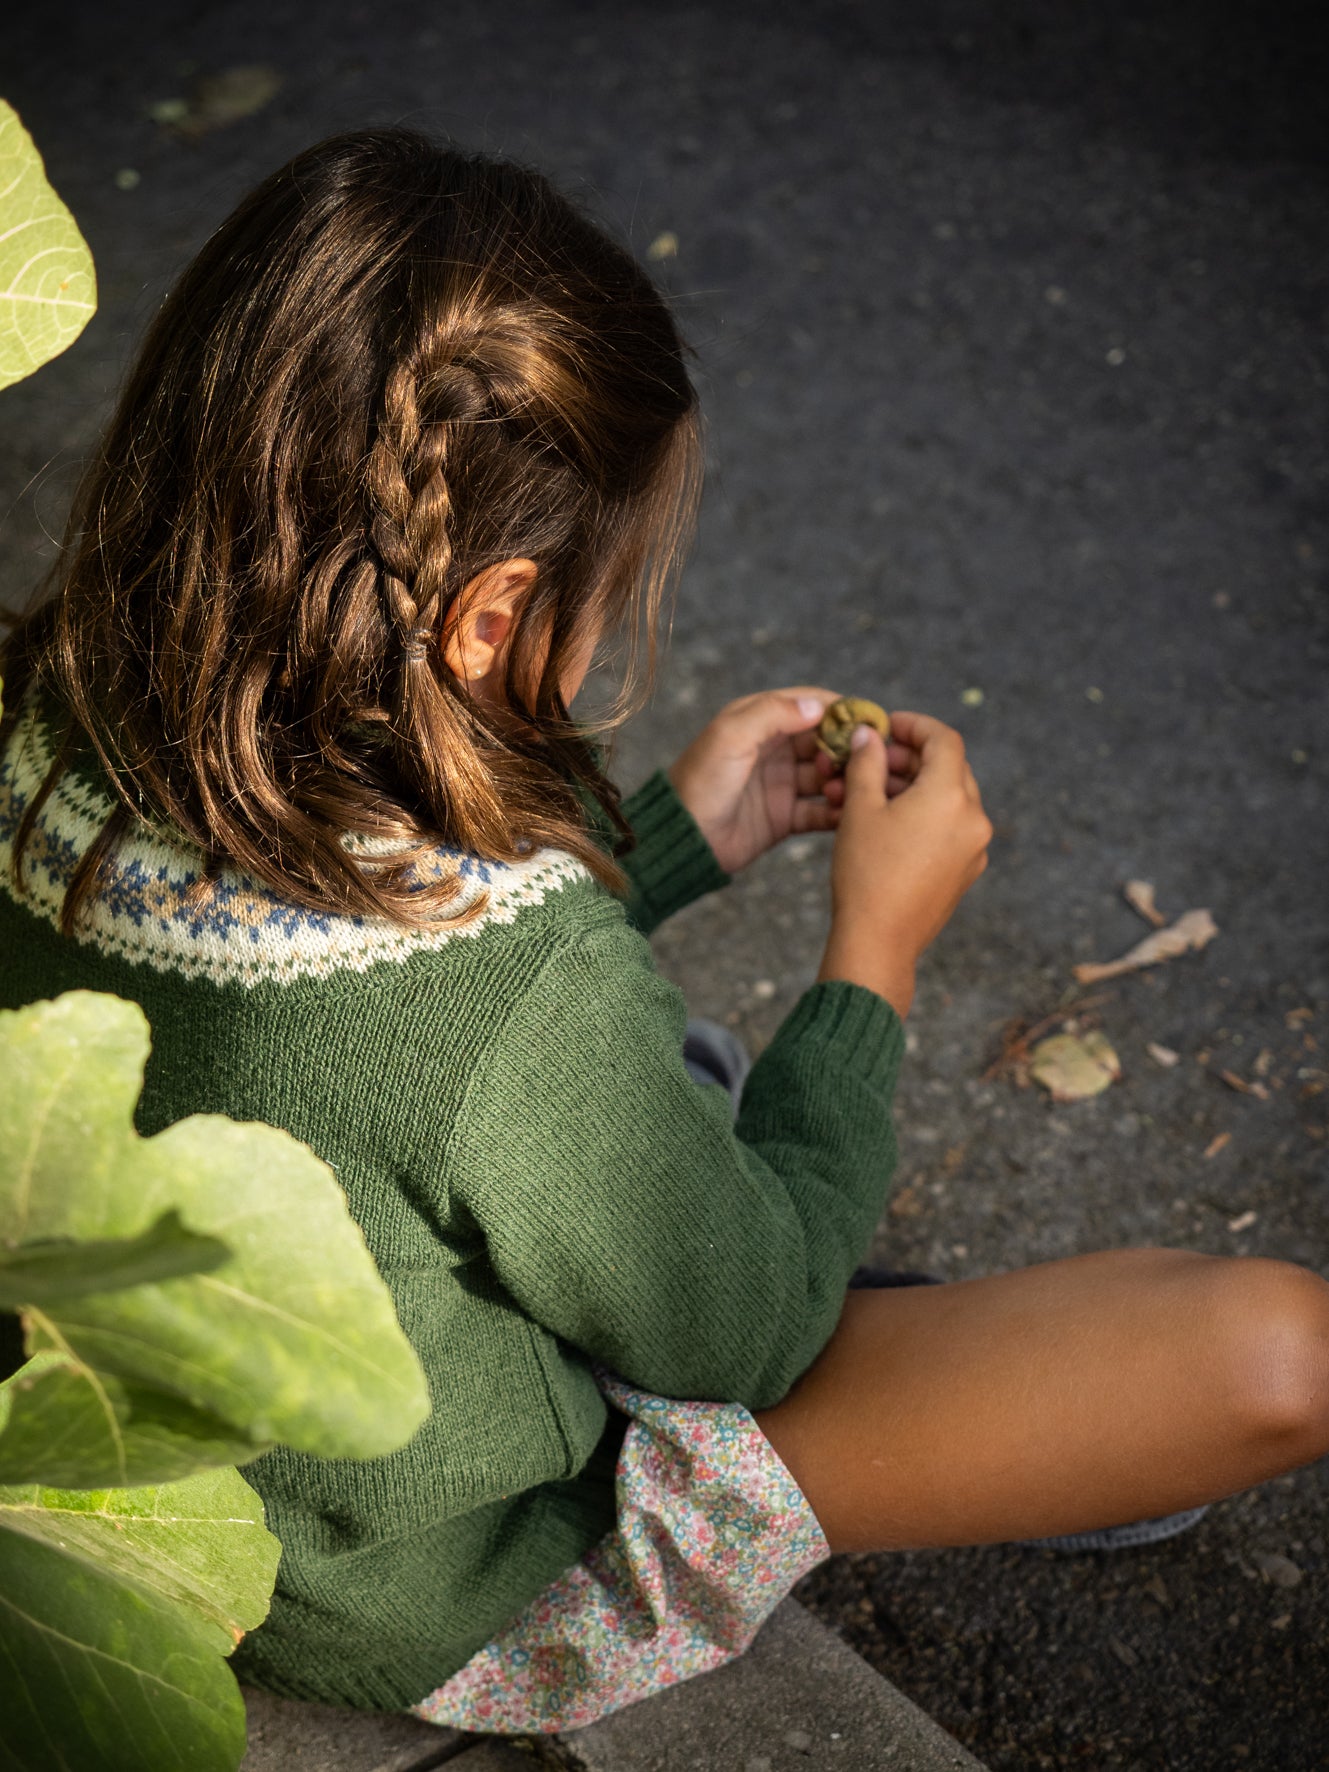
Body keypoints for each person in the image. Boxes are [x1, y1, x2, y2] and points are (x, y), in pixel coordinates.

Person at [1, 128, 1325, 1733]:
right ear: (490, 615)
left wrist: (681, 841)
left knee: (651, 1087)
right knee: (1271, 1353)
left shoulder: (41, 712)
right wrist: (873, 960)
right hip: (433, 1590)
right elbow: (746, 1332)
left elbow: (367, 1023)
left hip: (178, 1493)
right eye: (599, 592)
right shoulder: (519, 989)